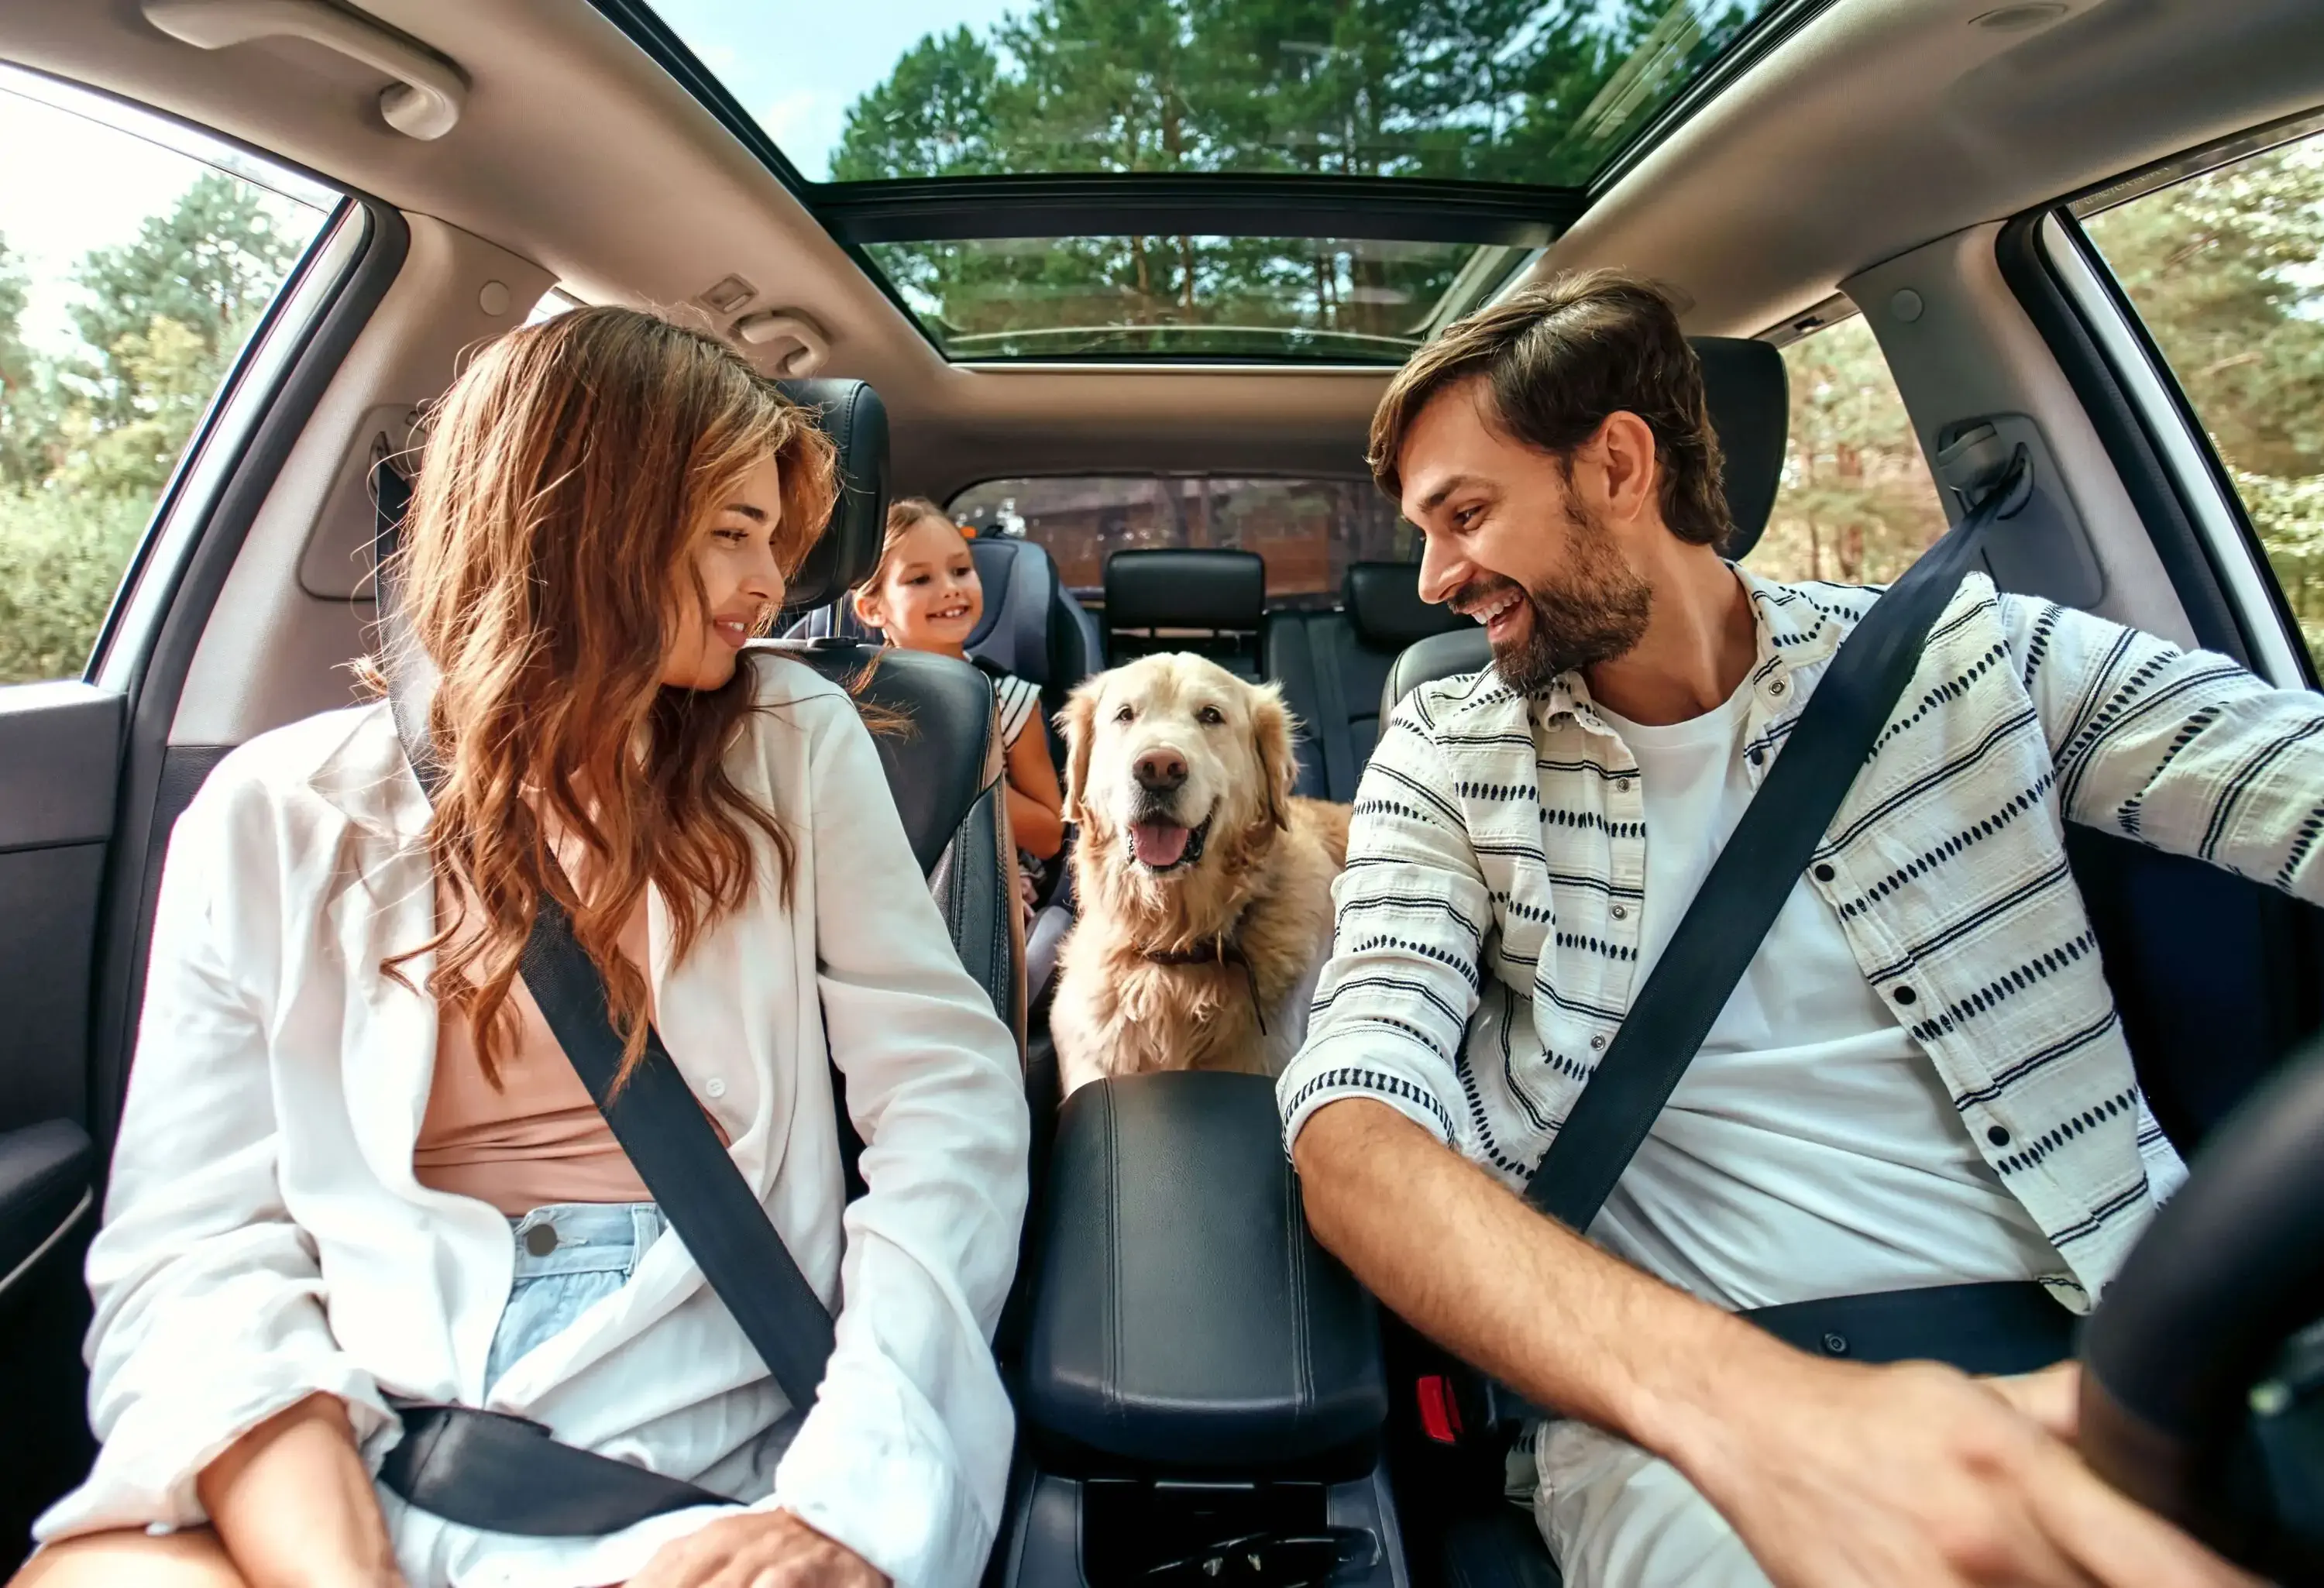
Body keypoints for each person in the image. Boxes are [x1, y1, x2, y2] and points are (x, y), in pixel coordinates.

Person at [1277, 270, 2297, 1588]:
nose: (1434, 577)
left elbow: (2285, 773)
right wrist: (1766, 1421)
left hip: (2122, 1344)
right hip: (1692, 1414)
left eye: (1466, 514)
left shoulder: (1969, 656)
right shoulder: (1445, 746)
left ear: (1620, 466)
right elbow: (1358, 1126)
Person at [17, 308, 1030, 1588]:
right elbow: (196, 1250)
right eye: (731, 533)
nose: (771, 587)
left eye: (774, 539)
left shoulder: (795, 742)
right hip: (351, 1434)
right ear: (573, 519)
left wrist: (848, 1501)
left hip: (689, 1466)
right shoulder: (270, 816)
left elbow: (948, 1105)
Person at [850, 498, 1066, 921]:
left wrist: (955, 780)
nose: (949, 588)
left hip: (981, 885)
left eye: (961, 571)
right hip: (871, 882)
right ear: (872, 607)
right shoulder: (852, 700)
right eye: (920, 579)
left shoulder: (1010, 701)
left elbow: (1050, 837)